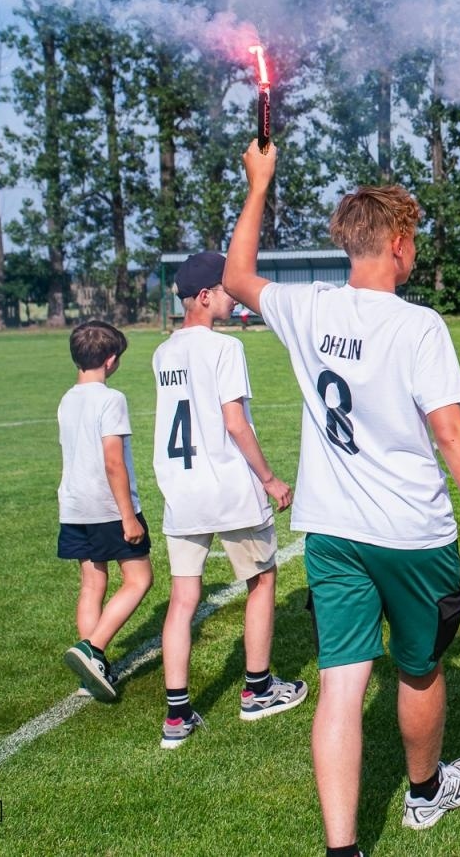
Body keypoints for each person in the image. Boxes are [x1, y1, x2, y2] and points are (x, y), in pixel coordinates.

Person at [224, 142, 460, 857]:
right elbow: (450, 433)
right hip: (413, 534)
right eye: (411, 239)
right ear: (396, 244)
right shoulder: (418, 325)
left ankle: (342, 848)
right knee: (418, 668)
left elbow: (234, 277)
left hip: (331, 532)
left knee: (341, 685)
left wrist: (258, 185)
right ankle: (424, 793)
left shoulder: (308, 307)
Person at [152, 251, 304, 750]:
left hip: (182, 489)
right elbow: (234, 423)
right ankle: (258, 690)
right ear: (204, 296)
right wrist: (270, 479)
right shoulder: (225, 348)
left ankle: (177, 716)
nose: (233, 295)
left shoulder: (162, 353)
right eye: (225, 289)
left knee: (183, 599)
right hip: (229, 486)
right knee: (262, 580)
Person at [58, 320, 153, 702]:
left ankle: (90, 673)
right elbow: (113, 461)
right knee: (139, 579)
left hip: (74, 506)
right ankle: (92, 649)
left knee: (92, 585)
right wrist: (128, 515)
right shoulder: (111, 399)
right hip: (108, 508)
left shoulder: (67, 399)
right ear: (111, 360)